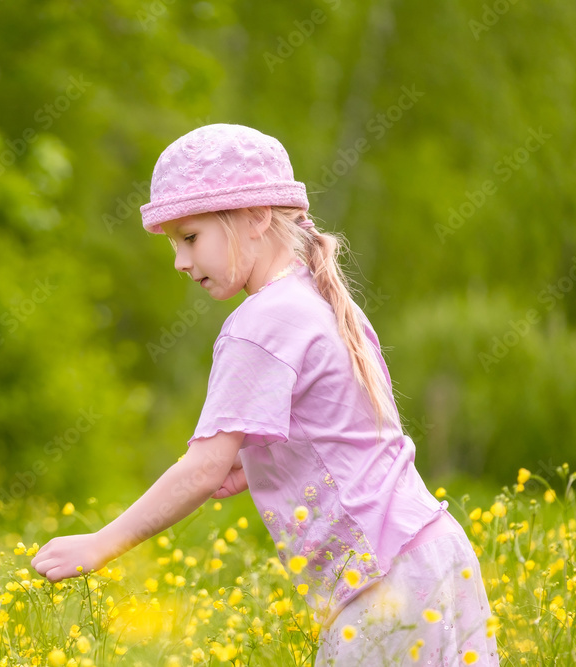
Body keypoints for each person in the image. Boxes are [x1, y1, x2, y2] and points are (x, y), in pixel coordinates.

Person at [32, 124, 498, 665]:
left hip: (382, 576)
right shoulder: (314, 298)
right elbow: (342, 433)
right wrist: (256, 463)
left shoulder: (259, 322)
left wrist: (99, 544)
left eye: (189, 237)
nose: (180, 262)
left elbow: (202, 467)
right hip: (434, 555)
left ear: (255, 218)